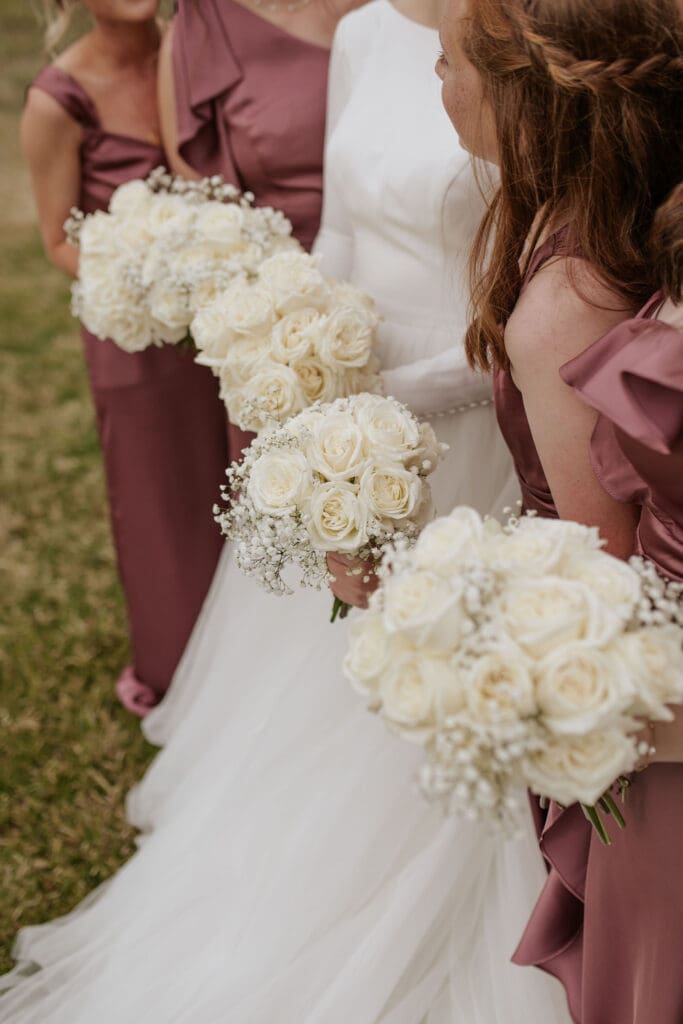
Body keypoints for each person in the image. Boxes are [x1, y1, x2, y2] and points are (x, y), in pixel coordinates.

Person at [0, 2, 570, 1020]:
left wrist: (410, 393)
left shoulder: (523, 35)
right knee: (326, 678)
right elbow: (342, 229)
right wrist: (309, 374)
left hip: (488, 398)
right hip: (349, 402)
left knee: (449, 662)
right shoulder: (363, 35)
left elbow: (547, 263)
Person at [436, 1, 683, 1021]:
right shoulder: (561, 221)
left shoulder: (563, 299)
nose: (437, 87)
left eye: (448, 66)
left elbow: (606, 573)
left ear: (524, 102)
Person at [21, 0, 229, 715]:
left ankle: (254, 655)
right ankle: (179, 671)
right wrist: (144, 274)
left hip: (226, 311)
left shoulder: (202, 47)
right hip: (135, 333)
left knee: (239, 478)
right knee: (162, 498)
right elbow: (57, 239)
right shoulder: (57, 101)